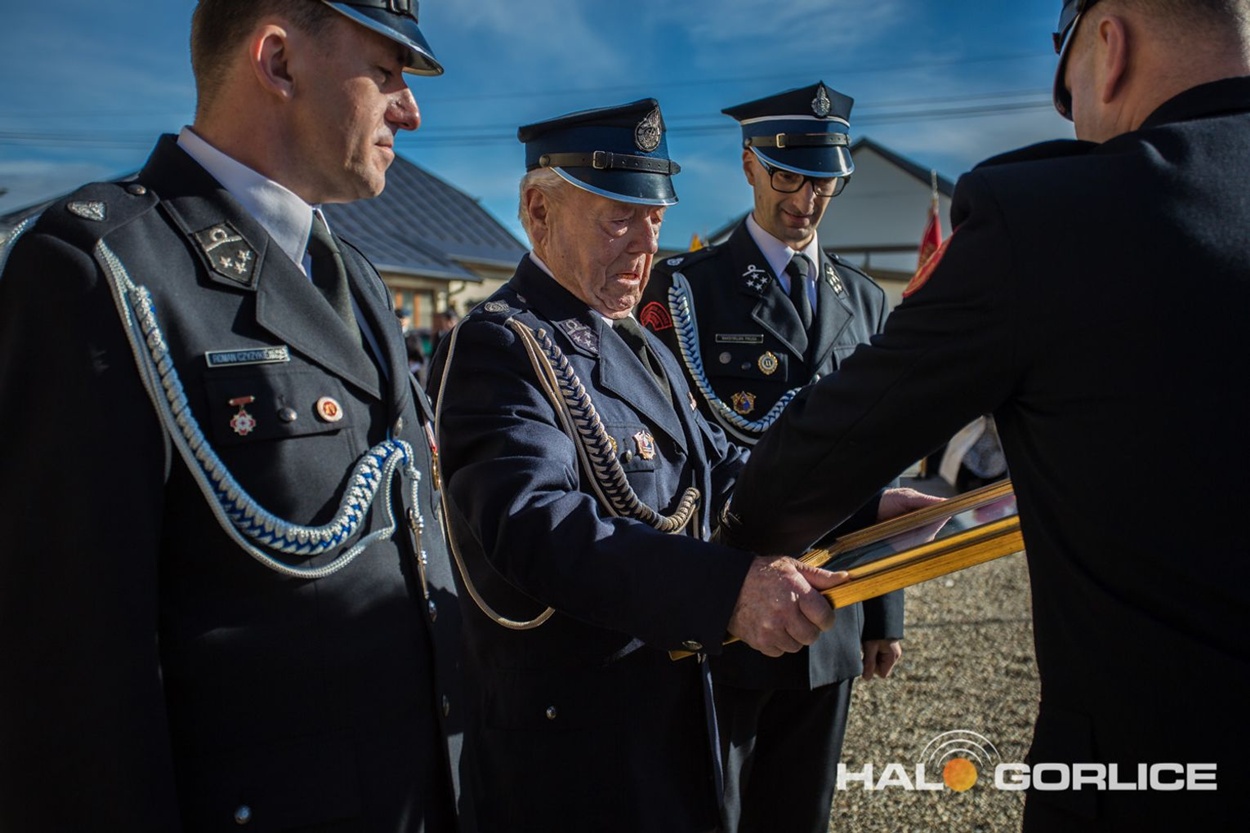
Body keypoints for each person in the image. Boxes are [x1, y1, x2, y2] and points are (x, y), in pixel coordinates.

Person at [719, 0, 1250, 829]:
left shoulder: (1051, 219)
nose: (1072, 119)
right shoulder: (694, 286)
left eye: (1066, 92)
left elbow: (812, 465)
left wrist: (707, 567)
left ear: (1109, 46)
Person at [0, 2, 468, 831]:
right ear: (279, 61)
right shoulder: (100, 268)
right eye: (386, 73)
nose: (411, 110)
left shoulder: (354, 275)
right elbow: (71, 683)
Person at [425, 99, 851, 832]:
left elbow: (721, 472)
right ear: (539, 211)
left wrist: (860, 505)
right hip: (576, 754)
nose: (645, 244)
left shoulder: (640, 344)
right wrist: (728, 591)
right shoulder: (502, 345)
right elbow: (539, 526)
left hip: (668, 725)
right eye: (619, 218)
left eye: (654, 220)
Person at [639, 82, 910, 833]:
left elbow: (882, 454)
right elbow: (668, 458)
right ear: (749, 165)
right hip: (732, 604)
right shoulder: (687, 290)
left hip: (834, 609)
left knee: (801, 813)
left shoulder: (863, 300)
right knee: (712, 809)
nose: (807, 198)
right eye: (788, 175)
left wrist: (884, 610)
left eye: (825, 180)